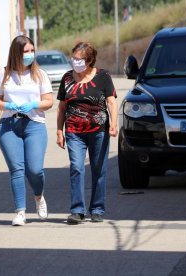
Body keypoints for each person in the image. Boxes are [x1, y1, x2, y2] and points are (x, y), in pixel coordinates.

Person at [0, 35, 53, 226]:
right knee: (17, 169)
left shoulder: (39, 74)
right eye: (25, 51)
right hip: (9, 125)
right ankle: (20, 212)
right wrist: (7, 104)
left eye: (31, 51)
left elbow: (49, 101)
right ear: (16, 53)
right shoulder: (4, 74)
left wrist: (35, 104)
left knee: (34, 169)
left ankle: (39, 196)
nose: (29, 54)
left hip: (34, 124)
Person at [56, 41, 118, 224]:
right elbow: (61, 107)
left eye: (79, 59)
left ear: (89, 60)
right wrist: (59, 131)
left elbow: (111, 102)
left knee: (99, 170)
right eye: (73, 58)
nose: (75, 62)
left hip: (99, 131)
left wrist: (113, 124)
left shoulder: (103, 77)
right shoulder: (67, 78)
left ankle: (97, 209)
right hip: (74, 131)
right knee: (76, 167)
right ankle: (77, 211)